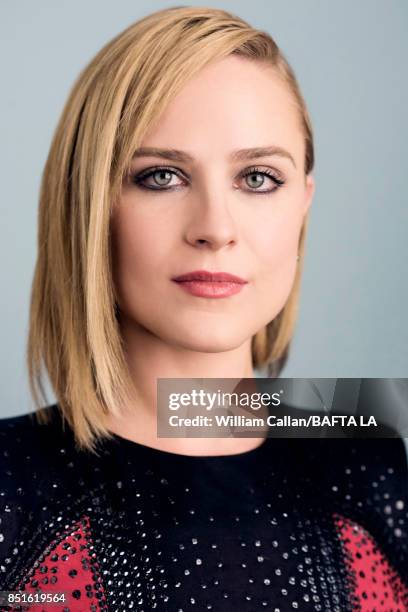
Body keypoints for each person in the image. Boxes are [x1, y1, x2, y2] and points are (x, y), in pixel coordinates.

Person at [1, 6, 407, 611]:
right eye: (161, 176)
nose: (215, 228)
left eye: (259, 178)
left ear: (303, 203)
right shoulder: (11, 487)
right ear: (87, 204)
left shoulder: (376, 465)